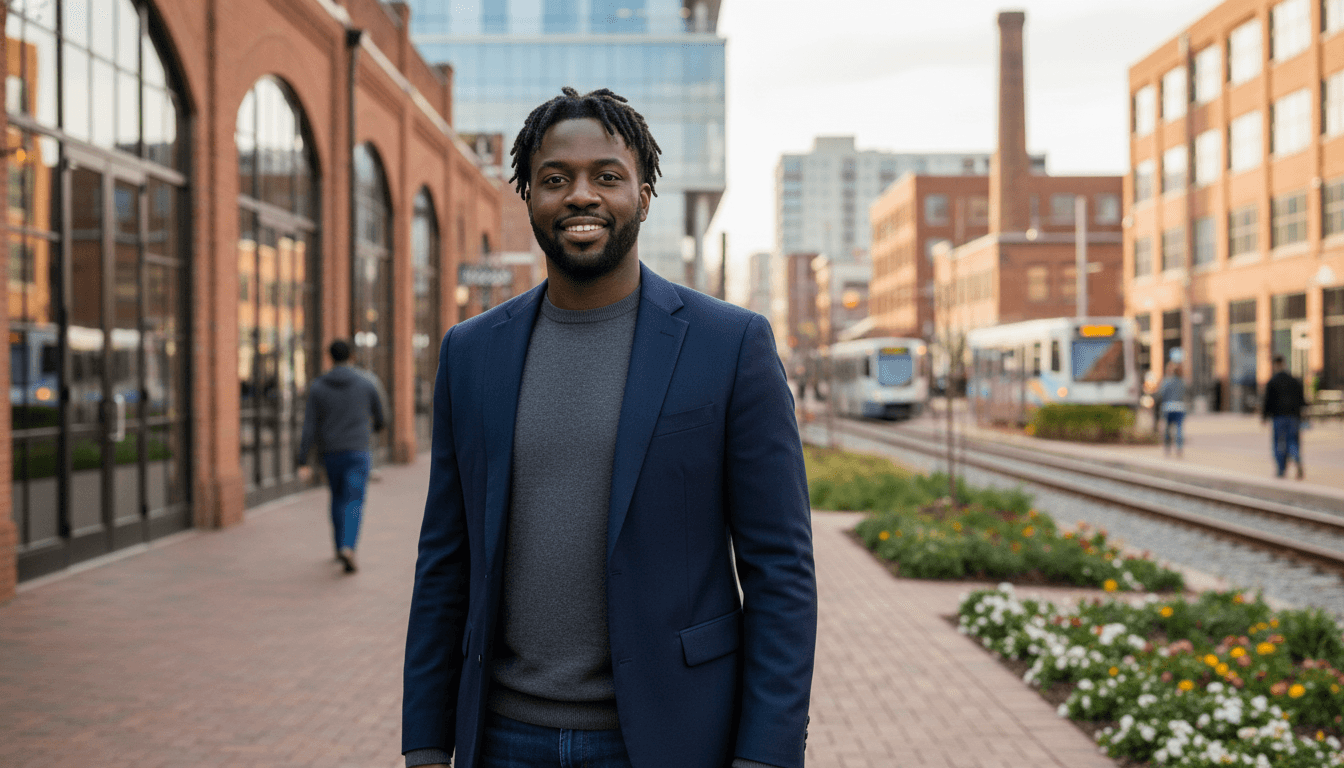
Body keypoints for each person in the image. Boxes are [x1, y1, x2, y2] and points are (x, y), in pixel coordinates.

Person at [402, 88, 816, 768]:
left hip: (670, 736)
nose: (581, 196)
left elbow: (781, 572)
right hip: (504, 737)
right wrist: (424, 739)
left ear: (644, 195)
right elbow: (444, 562)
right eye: (555, 179)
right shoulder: (471, 354)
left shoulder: (730, 344)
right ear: (528, 196)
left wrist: (767, 753)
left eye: (607, 176)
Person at [295, 339, 386, 573]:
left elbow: (309, 426)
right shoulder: (366, 383)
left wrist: (302, 459)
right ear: (351, 356)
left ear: (330, 358)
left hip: (331, 453)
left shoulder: (318, 386)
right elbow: (382, 417)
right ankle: (348, 546)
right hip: (357, 451)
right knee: (354, 499)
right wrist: (370, 431)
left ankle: (338, 547)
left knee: (336, 498)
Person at [1262, 354, 1306, 479]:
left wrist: (1265, 416)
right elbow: (1301, 400)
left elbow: (1268, 401)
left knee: (1279, 442)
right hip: (1293, 417)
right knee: (1292, 440)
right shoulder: (1294, 380)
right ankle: (1296, 457)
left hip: (1278, 417)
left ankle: (1281, 469)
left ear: (1276, 365)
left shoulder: (1272, 381)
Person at [1156, 362, 1187, 457]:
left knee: (1168, 428)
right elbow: (1185, 394)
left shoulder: (1166, 381)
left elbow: (1161, 393)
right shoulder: (1182, 382)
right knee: (1179, 428)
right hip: (1180, 407)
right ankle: (1179, 448)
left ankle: (1167, 447)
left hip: (1168, 407)